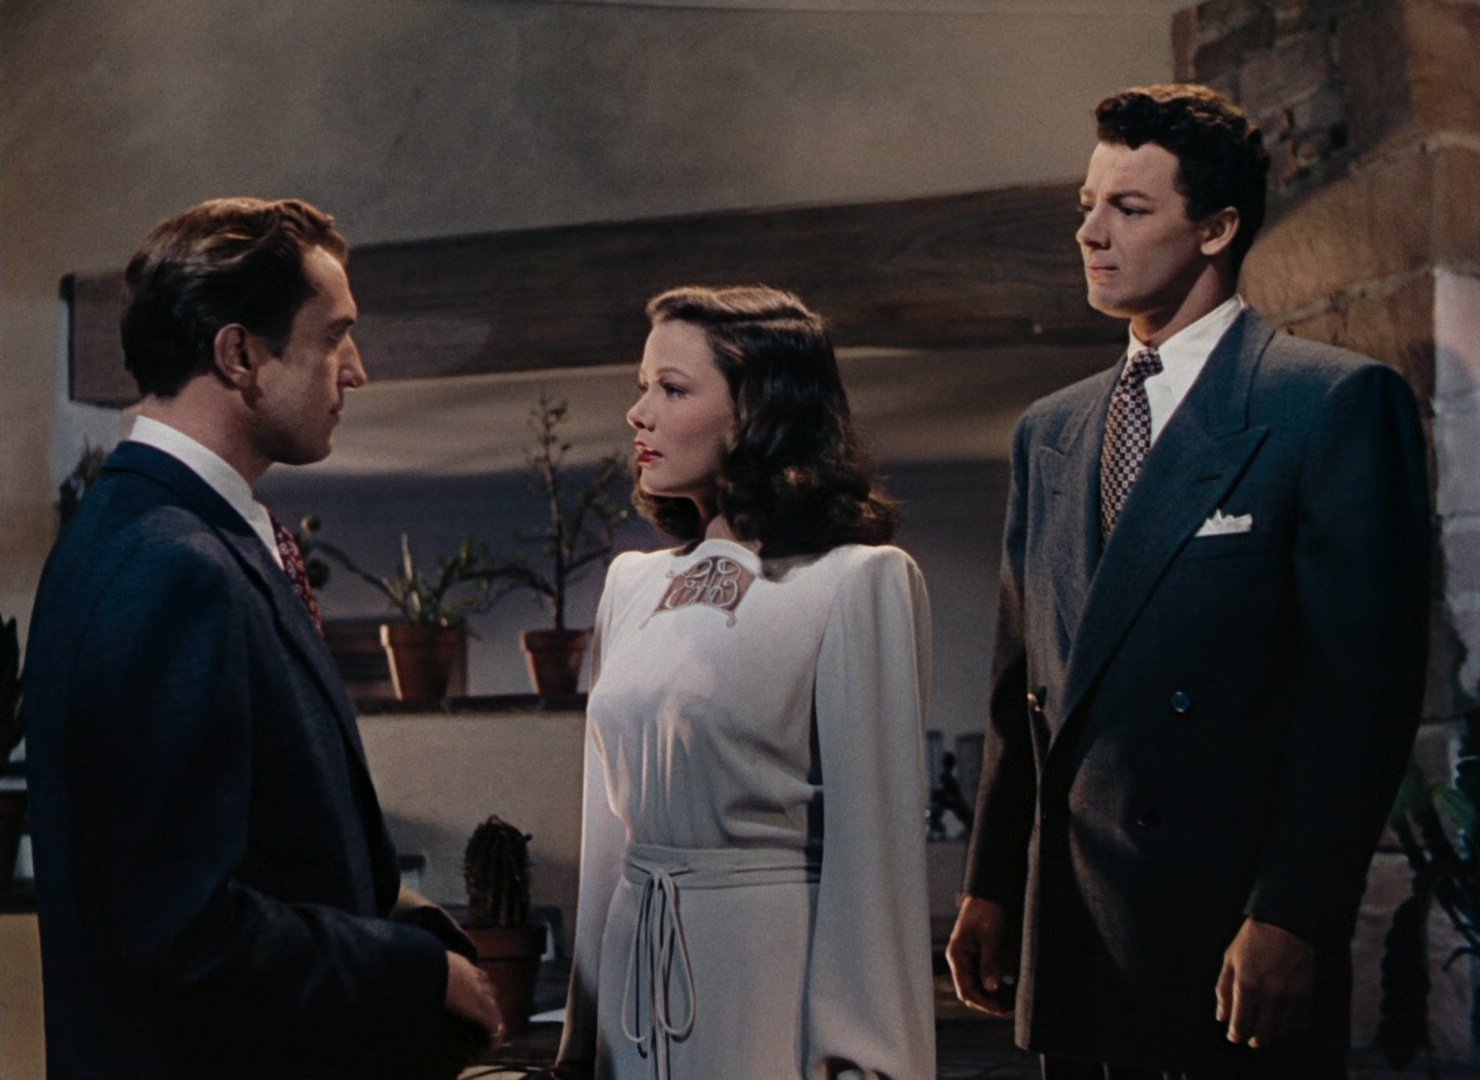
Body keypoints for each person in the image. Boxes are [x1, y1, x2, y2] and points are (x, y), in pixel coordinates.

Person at [946, 84, 1430, 1080]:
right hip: (1074, 927)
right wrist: (990, 885)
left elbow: (1360, 698)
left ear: (1216, 228)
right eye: (1087, 205)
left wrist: (1295, 911)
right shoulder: (1051, 431)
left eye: (1129, 208)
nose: (1090, 233)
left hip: (1226, 932)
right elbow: (1020, 689)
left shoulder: (1327, 403)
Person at [24, 197, 501, 1079]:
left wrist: (398, 916)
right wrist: (416, 975)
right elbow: (178, 931)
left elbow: (265, 846)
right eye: (335, 337)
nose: (357, 371)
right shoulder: (170, 565)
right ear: (239, 355)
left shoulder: (177, 535)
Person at [555, 285, 936, 1079]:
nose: (638, 413)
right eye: (642, 386)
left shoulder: (856, 582)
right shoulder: (632, 584)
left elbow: (876, 861)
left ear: (758, 413)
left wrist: (864, 1059)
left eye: (672, 389)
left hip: (761, 979)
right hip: (631, 978)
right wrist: (580, 1043)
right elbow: (605, 841)